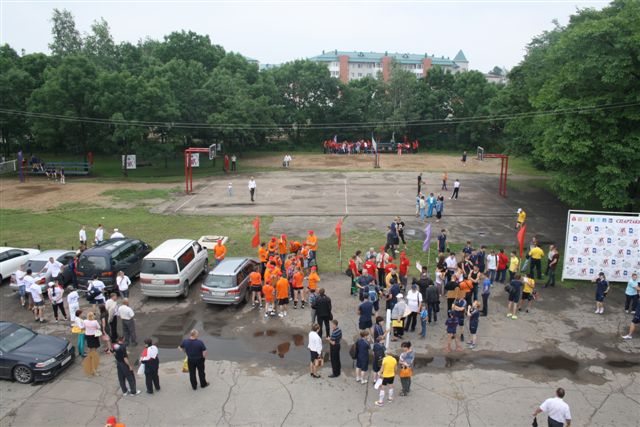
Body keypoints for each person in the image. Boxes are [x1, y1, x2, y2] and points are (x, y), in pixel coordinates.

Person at [83, 312, 102, 376]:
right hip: (94, 336)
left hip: (88, 337)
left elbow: (83, 327)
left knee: (90, 349)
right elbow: (98, 327)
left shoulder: (85, 321)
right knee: (94, 352)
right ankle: (94, 370)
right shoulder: (95, 322)